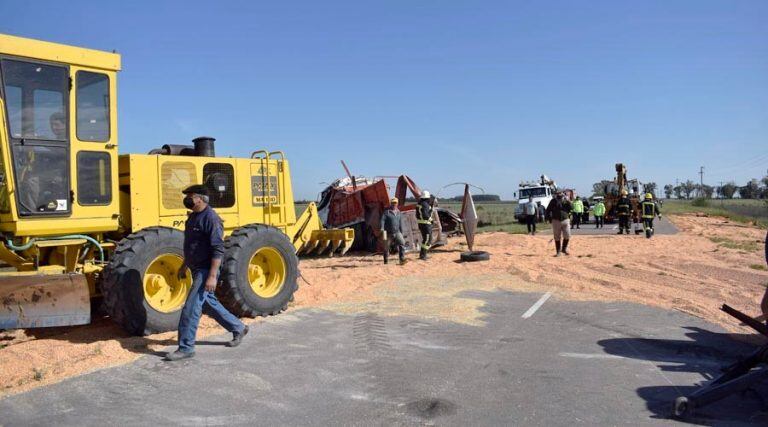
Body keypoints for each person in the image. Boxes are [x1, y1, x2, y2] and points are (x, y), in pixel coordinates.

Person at [165, 184, 248, 361]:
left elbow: (218, 249)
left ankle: (186, 347)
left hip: (206, 271)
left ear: (200, 198)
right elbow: (192, 246)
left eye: (190, 195)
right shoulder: (193, 217)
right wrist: (184, 265)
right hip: (196, 268)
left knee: (191, 307)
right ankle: (239, 327)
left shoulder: (211, 219)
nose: (187, 198)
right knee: (208, 304)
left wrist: (212, 276)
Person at [545, 190, 572, 256]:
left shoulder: (566, 200)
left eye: (560, 193)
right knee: (557, 237)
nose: (559, 194)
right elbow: (548, 210)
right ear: (556, 194)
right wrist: (548, 219)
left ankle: (564, 249)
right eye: (558, 193)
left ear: (563, 193)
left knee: (567, 235)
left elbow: (571, 208)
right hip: (556, 220)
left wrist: (568, 201)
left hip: (565, 220)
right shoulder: (553, 201)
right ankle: (558, 252)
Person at [380, 197, 406, 265]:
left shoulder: (399, 212)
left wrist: (401, 231)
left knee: (402, 243)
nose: (394, 204)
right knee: (386, 247)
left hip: (397, 232)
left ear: (397, 204)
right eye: (393, 203)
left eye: (395, 203)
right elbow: (382, 220)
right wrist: (382, 228)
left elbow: (400, 223)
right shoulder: (386, 212)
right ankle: (386, 261)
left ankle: (402, 259)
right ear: (391, 204)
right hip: (388, 233)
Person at [416, 191, 434, 260]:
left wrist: (430, 209)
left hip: (422, 224)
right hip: (426, 225)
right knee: (427, 240)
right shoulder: (425, 204)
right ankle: (423, 255)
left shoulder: (420, 203)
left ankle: (423, 255)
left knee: (426, 240)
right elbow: (425, 215)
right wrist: (431, 220)